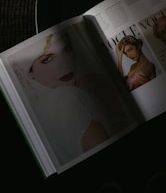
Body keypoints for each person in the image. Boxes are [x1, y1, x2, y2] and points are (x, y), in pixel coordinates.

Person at [17, 31, 129, 165]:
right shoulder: (72, 98)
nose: (64, 64)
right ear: (30, 72)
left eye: (67, 49)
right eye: (47, 59)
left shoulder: (38, 109)